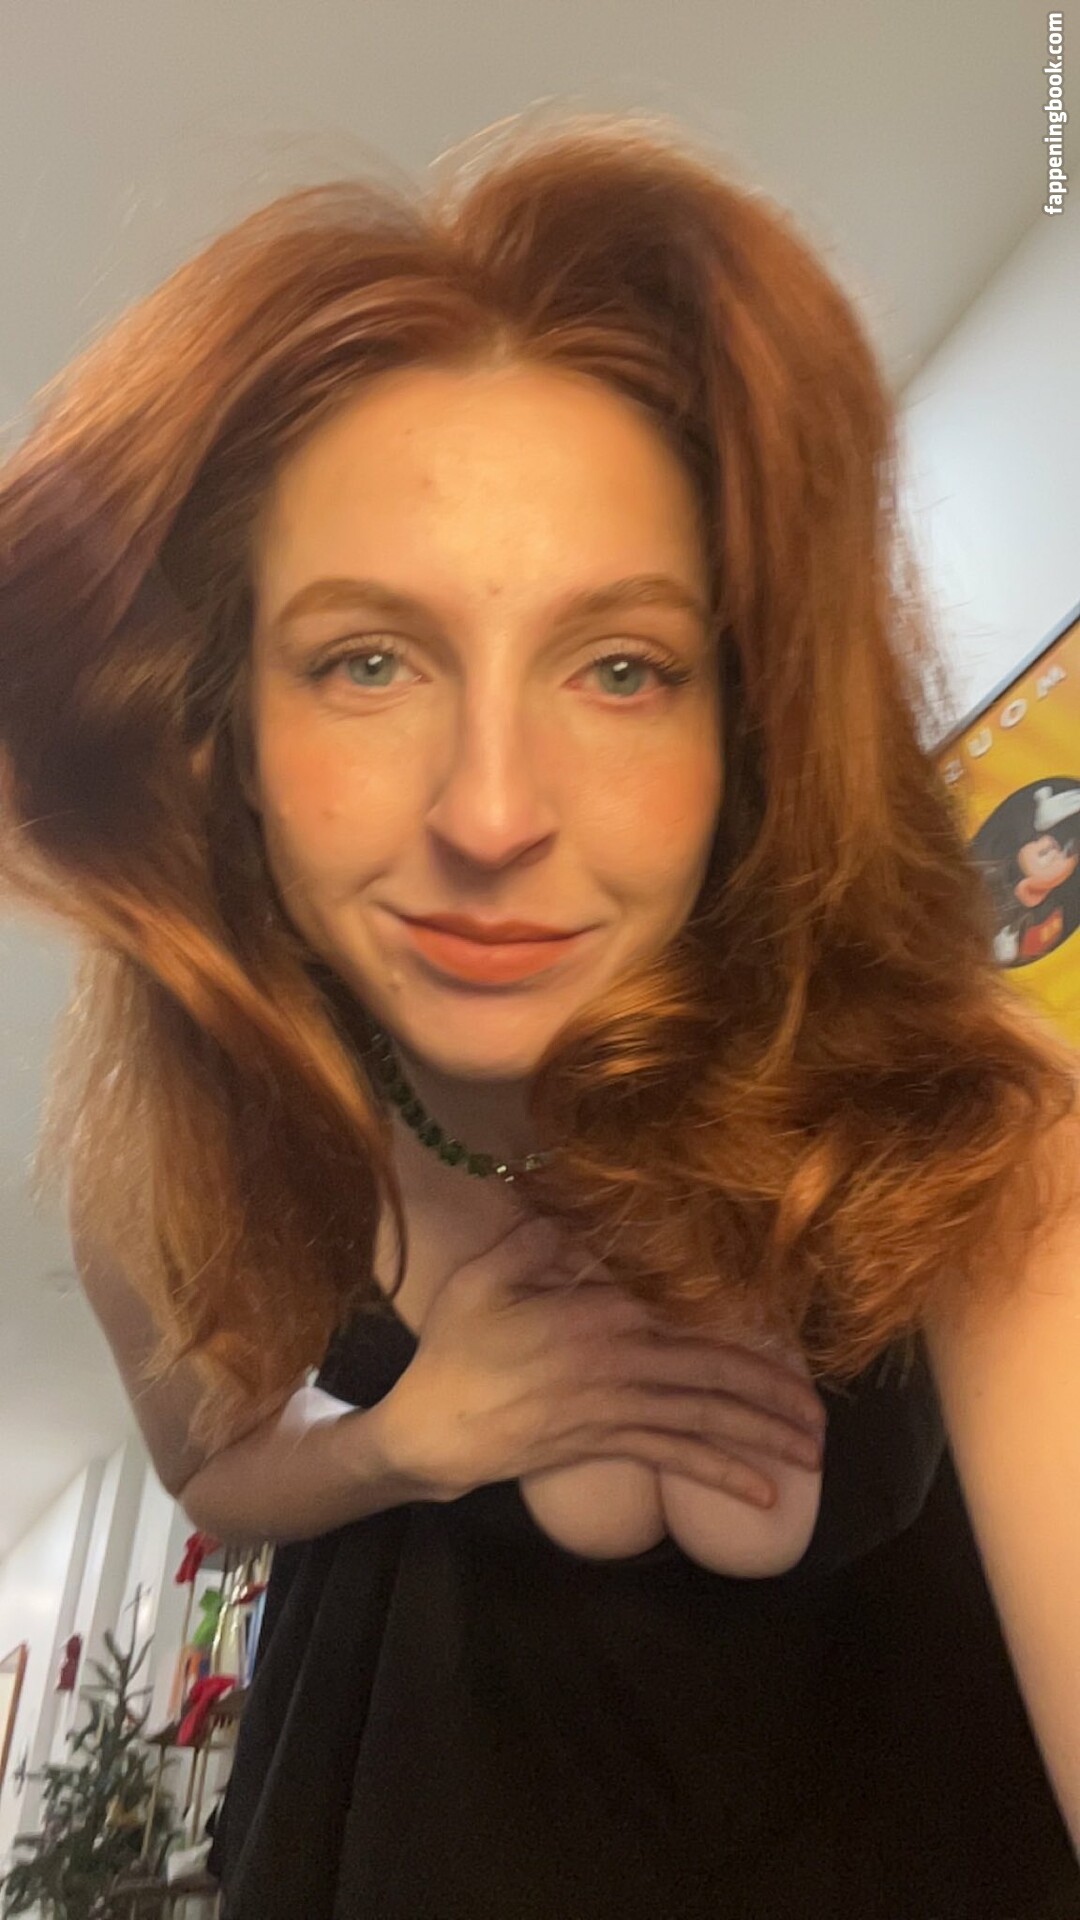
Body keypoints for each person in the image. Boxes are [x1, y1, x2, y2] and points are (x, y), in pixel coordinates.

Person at [0, 109, 1078, 1918]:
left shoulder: (972, 1116)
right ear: (225, 729)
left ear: (748, 728)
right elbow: (208, 1474)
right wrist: (408, 1442)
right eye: (366, 661)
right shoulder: (188, 1143)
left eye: (621, 667)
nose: (493, 814)